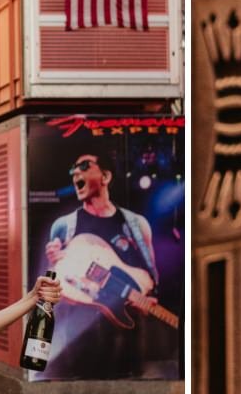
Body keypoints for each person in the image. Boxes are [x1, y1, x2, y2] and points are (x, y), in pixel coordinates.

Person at [40, 153, 162, 379]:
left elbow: (151, 272)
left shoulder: (136, 224)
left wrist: (149, 297)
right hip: (82, 341)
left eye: (85, 166)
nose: (76, 172)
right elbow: (55, 280)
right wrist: (52, 261)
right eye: (73, 169)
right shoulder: (64, 226)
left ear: (105, 176)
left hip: (127, 338)